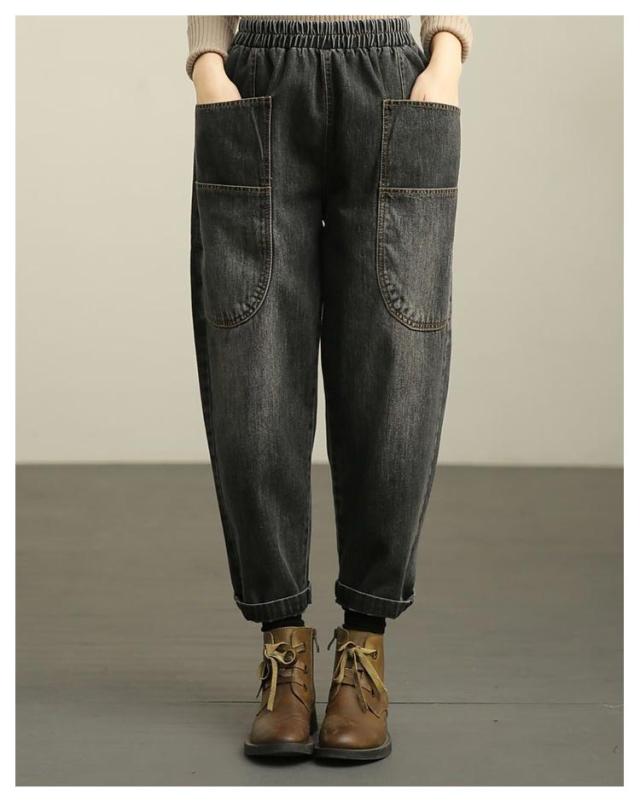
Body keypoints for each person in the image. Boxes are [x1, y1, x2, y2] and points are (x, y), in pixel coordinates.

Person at [187, 15, 471, 761]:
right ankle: (283, 650)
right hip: (255, 75)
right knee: (251, 374)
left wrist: (445, 58)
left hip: (394, 79)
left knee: (397, 379)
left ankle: (363, 650)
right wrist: (209, 62)